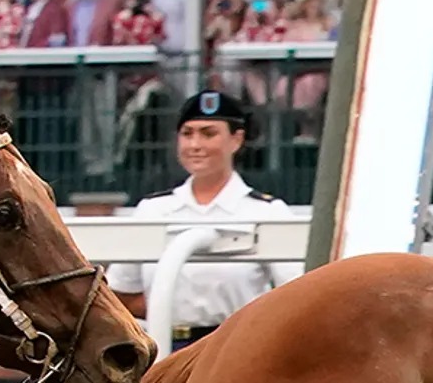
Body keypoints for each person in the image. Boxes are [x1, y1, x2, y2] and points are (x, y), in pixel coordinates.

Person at [106, 90, 302, 347]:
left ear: (236, 139)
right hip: (168, 346)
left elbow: (295, 292)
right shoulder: (153, 210)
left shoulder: (266, 212)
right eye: (187, 134)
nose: (195, 145)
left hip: (236, 348)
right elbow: (122, 293)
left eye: (208, 134)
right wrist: (170, 311)